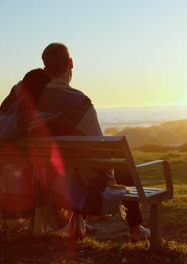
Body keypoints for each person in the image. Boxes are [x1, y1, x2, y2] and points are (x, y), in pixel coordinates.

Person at [29, 43, 150, 240]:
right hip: (81, 182)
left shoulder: (36, 103)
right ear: (71, 63)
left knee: (75, 164)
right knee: (121, 163)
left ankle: (77, 223)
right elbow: (100, 150)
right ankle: (136, 228)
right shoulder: (80, 102)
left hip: (49, 180)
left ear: (45, 70)